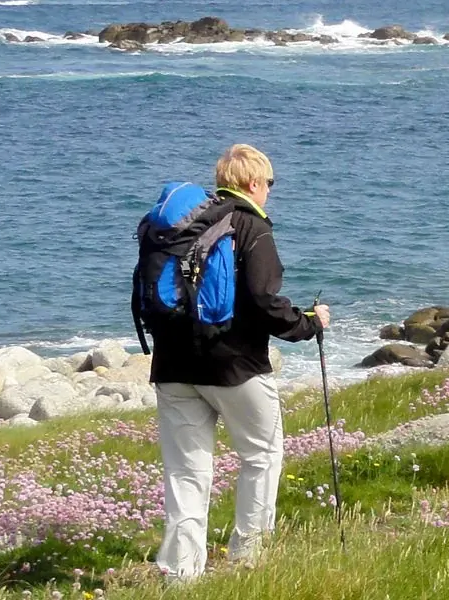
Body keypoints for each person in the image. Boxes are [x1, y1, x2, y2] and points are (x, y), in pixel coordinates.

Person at [149, 144, 330, 582]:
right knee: (262, 457)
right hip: (235, 368)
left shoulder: (186, 224)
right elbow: (266, 302)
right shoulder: (251, 226)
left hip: (173, 367)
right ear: (254, 183)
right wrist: (309, 323)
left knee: (186, 473)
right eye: (270, 183)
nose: (270, 190)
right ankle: (248, 560)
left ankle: (180, 576)